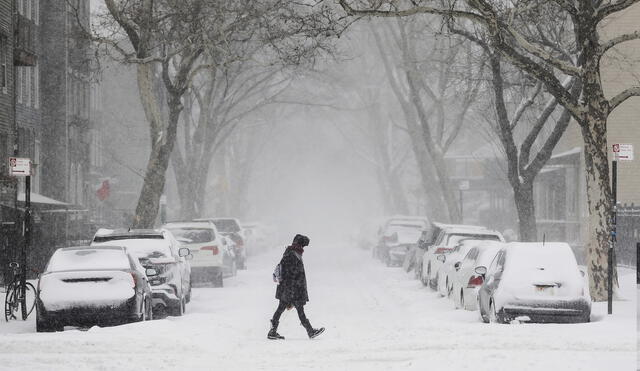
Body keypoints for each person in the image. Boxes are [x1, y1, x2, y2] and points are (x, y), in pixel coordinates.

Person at [268, 234, 324, 340]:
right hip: (291, 289)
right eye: (303, 246)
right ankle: (310, 331)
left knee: (284, 309)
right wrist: (291, 293)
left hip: (290, 289)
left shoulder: (293, 253)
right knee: (296, 309)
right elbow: (290, 275)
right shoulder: (292, 255)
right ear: (299, 245)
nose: (303, 249)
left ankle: (273, 331)